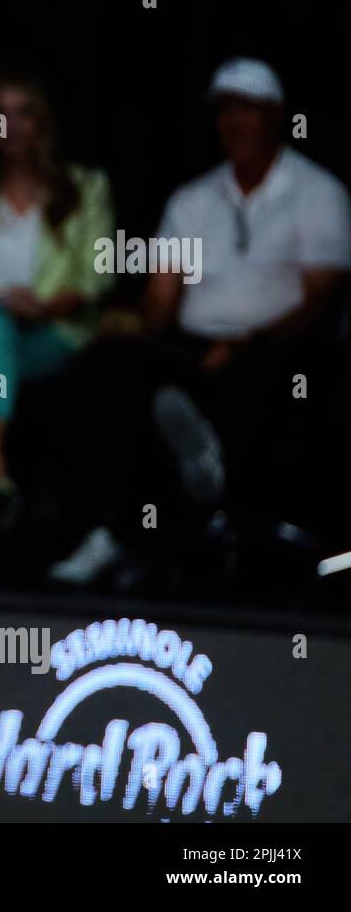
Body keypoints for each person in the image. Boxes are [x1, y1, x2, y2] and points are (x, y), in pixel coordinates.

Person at [50, 57, 351, 585]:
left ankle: (213, 493)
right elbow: (161, 301)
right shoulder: (193, 199)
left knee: (272, 372)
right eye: (224, 110)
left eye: (247, 109)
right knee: (110, 363)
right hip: (193, 348)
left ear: (276, 115)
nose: (233, 122)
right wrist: (131, 321)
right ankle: (114, 532)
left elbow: (320, 301)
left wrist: (245, 344)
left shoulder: (317, 192)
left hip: (284, 351)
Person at [0, 74, 114, 582]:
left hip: (54, 335)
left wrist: (44, 307)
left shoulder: (83, 187)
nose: (11, 124)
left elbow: (98, 277)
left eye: (23, 110)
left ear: (42, 122)